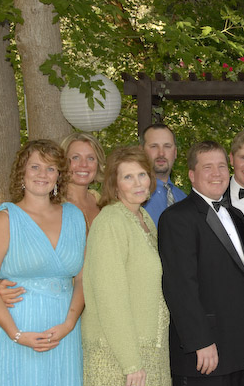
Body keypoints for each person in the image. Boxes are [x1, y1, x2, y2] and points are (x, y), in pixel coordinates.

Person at [0, 139, 86, 386]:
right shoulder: (5, 220)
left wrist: (69, 324)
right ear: (22, 173)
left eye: (51, 168)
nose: (42, 174)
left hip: (63, 333)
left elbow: (82, 278)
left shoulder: (75, 217)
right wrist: (16, 334)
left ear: (59, 175)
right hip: (15, 330)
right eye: (35, 167)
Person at [158, 141, 244, 386]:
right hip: (205, 354)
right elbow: (180, 286)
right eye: (207, 167)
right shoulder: (176, 218)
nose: (217, 173)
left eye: (222, 166)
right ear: (191, 175)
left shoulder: (236, 216)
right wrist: (200, 341)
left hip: (243, 352)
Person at [82, 145, 171, 386]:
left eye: (142, 174)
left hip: (151, 349)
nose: (138, 183)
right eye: (128, 177)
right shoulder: (110, 221)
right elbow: (109, 297)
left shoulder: (143, 218)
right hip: (118, 355)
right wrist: (130, 362)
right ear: (115, 184)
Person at [0, 132, 106, 307]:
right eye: (75, 158)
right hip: (63, 304)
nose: (83, 164)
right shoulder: (47, 206)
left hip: (103, 298)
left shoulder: (105, 205)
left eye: (91, 158)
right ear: (61, 163)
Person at [141, 123, 187, 226]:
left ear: (175, 152)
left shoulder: (183, 198)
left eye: (167, 146)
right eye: (154, 146)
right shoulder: (133, 198)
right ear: (141, 151)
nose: (161, 153)